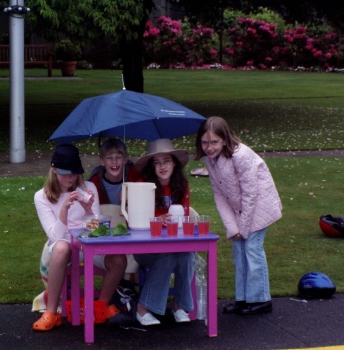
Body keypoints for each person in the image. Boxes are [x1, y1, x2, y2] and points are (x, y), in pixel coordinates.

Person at [32, 144, 127, 331]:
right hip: (63, 244)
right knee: (61, 247)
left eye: (74, 173)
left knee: (119, 259)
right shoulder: (42, 196)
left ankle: (100, 307)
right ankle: (51, 312)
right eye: (66, 173)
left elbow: (96, 231)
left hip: (87, 243)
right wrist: (65, 209)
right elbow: (55, 236)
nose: (71, 178)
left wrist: (88, 210)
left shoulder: (88, 187)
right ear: (54, 170)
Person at [194, 116, 282, 315]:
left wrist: (244, 227)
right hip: (239, 210)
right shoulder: (210, 160)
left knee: (252, 248)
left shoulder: (241, 155)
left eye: (214, 142)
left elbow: (251, 193)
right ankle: (243, 299)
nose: (209, 147)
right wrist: (233, 228)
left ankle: (260, 300)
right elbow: (219, 194)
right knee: (238, 251)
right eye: (205, 142)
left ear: (224, 139)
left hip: (259, 206)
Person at [132, 138, 195, 326]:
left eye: (166, 161)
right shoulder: (142, 185)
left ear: (174, 163)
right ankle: (143, 309)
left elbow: (183, 215)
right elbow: (132, 220)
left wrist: (173, 220)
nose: (162, 166)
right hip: (145, 248)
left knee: (186, 254)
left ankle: (178, 305)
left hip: (173, 243)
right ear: (151, 166)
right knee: (169, 254)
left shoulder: (181, 184)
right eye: (157, 162)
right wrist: (156, 220)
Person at [87, 138, 141, 205]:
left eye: (118, 157)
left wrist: (132, 199)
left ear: (125, 159)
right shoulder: (94, 182)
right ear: (102, 161)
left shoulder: (135, 175)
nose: (114, 162)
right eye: (109, 158)